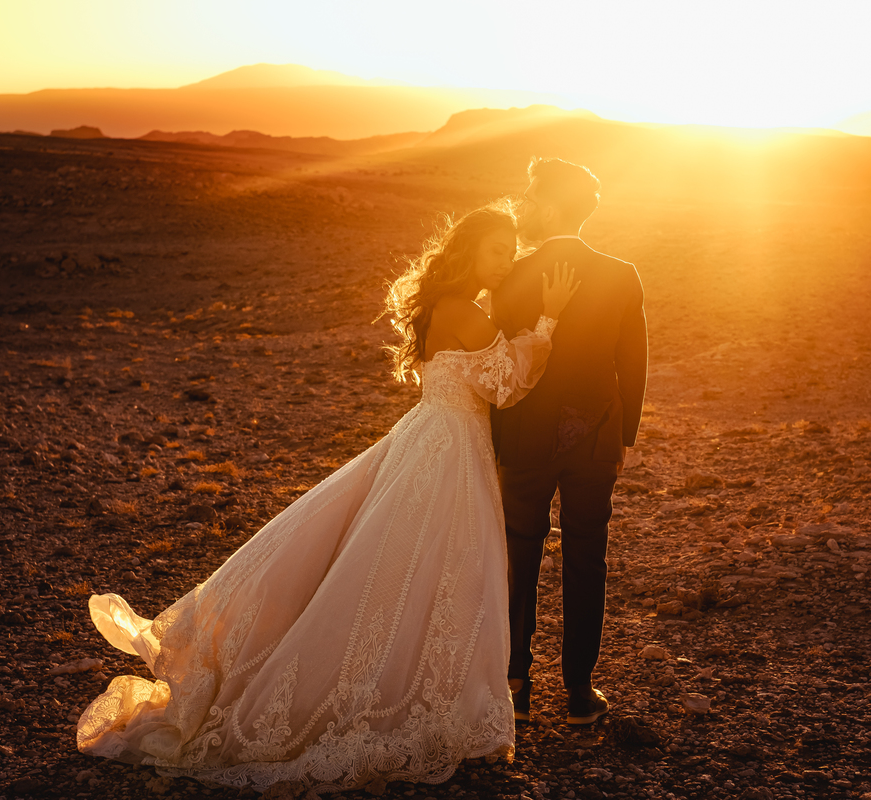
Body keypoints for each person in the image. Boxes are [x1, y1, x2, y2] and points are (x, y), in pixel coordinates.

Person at [76, 200, 579, 794]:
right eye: (498, 250)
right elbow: (508, 384)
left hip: (432, 437)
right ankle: (435, 705)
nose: (507, 261)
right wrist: (547, 322)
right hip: (447, 448)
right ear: (470, 251)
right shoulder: (462, 310)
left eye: (511, 250)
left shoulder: (452, 307)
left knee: (424, 570)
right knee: (438, 570)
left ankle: (447, 700)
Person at [490, 158, 647, 726]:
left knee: (519, 555)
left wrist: (493, 435)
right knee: (587, 557)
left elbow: (499, 359)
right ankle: (580, 692)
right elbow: (633, 364)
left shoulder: (512, 273)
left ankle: (515, 685)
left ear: (552, 204)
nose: (525, 202)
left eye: (533, 193)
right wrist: (624, 436)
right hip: (596, 436)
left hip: (525, 437)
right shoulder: (622, 274)